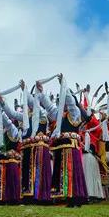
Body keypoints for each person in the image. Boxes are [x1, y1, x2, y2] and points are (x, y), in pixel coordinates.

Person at [0, 80, 52, 205]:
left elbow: (32, 102)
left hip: (39, 148)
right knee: (27, 173)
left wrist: (25, 90)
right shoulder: (25, 117)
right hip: (27, 149)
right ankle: (28, 197)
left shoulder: (42, 114)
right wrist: (1, 102)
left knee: (39, 172)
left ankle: (41, 197)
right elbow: (11, 114)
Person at [38, 75, 88, 207]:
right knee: (60, 172)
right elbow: (49, 107)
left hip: (71, 147)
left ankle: (74, 198)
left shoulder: (75, 112)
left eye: (64, 100)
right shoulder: (60, 116)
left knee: (71, 171)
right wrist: (41, 93)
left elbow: (71, 102)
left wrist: (63, 86)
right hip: (60, 147)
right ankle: (62, 197)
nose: (63, 103)